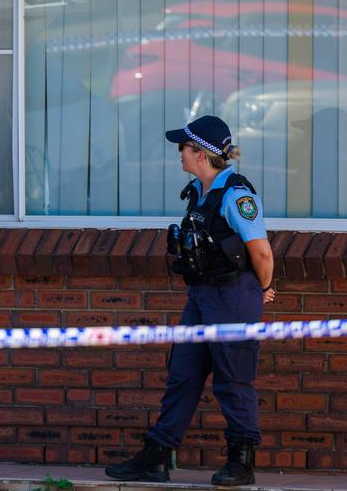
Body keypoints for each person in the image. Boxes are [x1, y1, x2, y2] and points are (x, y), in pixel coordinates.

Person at [105, 115, 276, 487]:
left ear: (200, 153)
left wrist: (261, 288)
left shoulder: (235, 195)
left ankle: (241, 461)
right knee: (182, 375)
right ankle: (156, 457)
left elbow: (261, 253)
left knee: (233, 381)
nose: (179, 152)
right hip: (201, 297)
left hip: (233, 297)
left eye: (183, 146)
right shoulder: (200, 191)